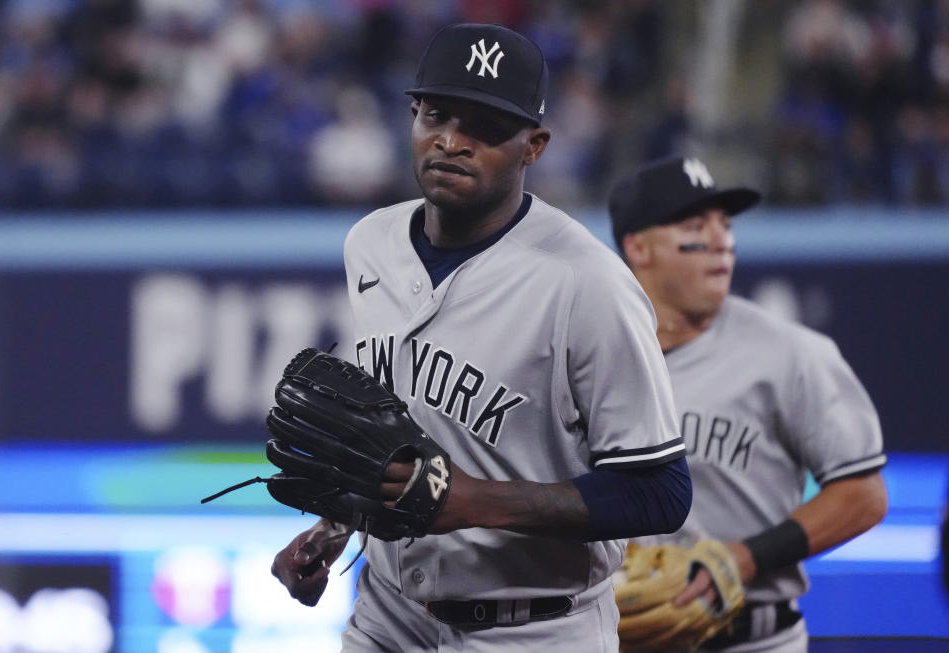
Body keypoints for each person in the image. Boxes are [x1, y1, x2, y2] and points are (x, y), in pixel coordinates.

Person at [271, 23, 693, 652]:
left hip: (536, 628)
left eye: (485, 127)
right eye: (437, 114)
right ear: (412, 114)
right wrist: (340, 526)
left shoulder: (589, 284)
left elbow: (659, 490)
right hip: (389, 615)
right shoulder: (371, 243)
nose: (451, 141)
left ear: (535, 145)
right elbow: (401, 438)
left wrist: (474, 500)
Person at [608, 155, 889, 652]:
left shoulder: (790, 354)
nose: (721, 241)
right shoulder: (591, 355)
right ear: (638, 247)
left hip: (753, 639)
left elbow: (863, 494)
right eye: (696, 226)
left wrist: (746, 557)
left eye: (726, 225)